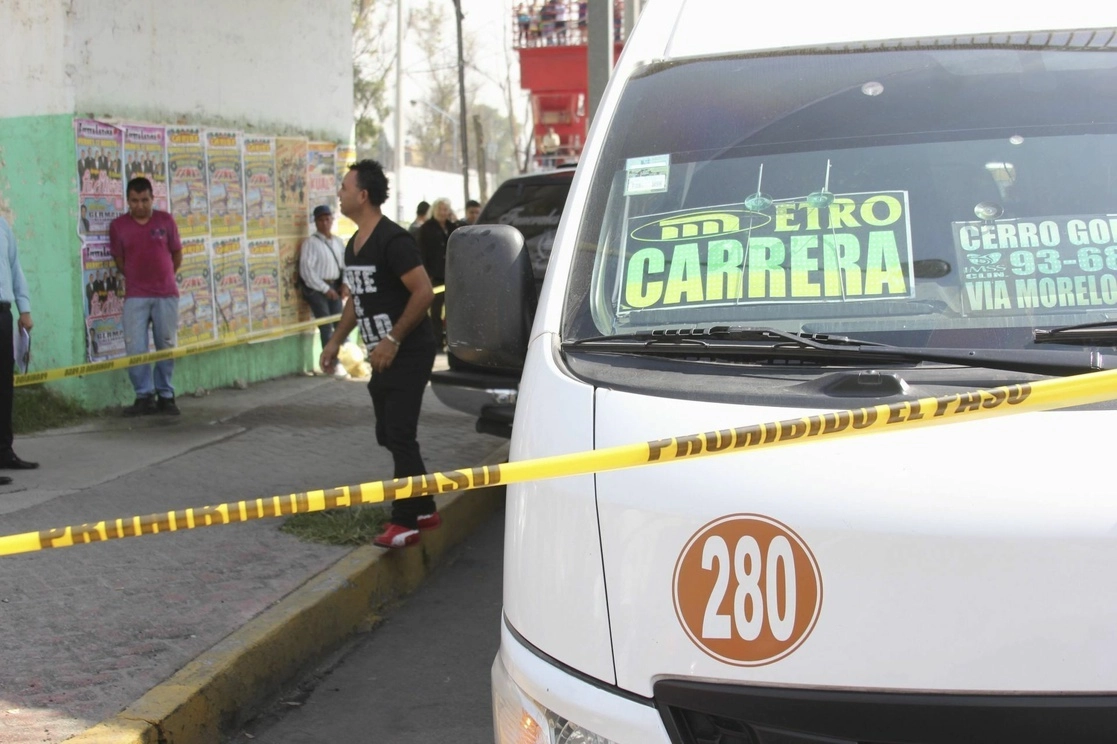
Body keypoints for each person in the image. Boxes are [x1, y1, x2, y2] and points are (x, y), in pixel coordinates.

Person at [320, 160, 437, 549]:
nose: (339, 193)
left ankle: (403, 522)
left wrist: (393, 339)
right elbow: (358, 299)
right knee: (387, 433)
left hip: (408, 350)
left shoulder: (393, 240)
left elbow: (422, 292)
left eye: (344, 187)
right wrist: (336, 340)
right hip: (381, 352)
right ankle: (424, 506)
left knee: (401, 434)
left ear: (363, 195)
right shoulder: (354, 245)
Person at [110, 177, 183, 416]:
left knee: (166, 345)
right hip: (136, 295)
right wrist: (137, 278)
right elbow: (120, 261)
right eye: (134, 201)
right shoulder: (119, 226)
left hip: (166, 294)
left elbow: (176, 255)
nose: (140, 205)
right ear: (128, 201)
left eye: (144, 200)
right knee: (135, 348)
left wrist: (164, 277)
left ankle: (166, 395)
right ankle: (144, 396)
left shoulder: (166, 221)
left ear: (153, 198)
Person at [0, 217, 38, 482]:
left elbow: (15, 268)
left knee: (4, 387)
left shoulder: (2, 226)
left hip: (2, 313)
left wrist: (24, 308)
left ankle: (3, 451)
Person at [299, 204, 347, 353]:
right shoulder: (311, 243)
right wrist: (325, 289)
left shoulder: (338, 242)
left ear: (332, 220)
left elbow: (346, 265)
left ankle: (345, 357)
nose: (325, 223)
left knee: (340, 325)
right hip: (318, 289)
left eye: (327, 219)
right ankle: (330, 362)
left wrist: (345, 284)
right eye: (321, 220)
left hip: (336, 286)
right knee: (326, 325)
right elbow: (306, 271)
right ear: (316, 222)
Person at [417, 198, 456, 349]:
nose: (443, 212)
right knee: (435, 311)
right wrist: (426, 274)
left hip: (451, 275)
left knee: (452, 310)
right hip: (434, 275)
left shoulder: (453, 227)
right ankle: (437, 341)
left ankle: (451, 341)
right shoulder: (426, 228)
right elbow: (422, 252)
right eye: (440, 209)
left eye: (446, 209)